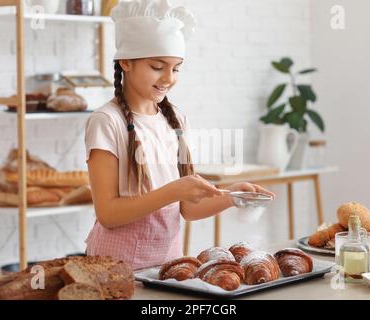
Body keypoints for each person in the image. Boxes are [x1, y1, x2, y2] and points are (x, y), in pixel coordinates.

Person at [84, 0, 275, 270]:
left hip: (166, 268)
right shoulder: (106, 121)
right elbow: (108, 215)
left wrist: (232, 196)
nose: (169, 78)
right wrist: (174, 190)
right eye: (157, 66)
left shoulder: (175, 120)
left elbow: (188, 209)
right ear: (125, 61)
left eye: (176, 68)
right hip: (113, 268)